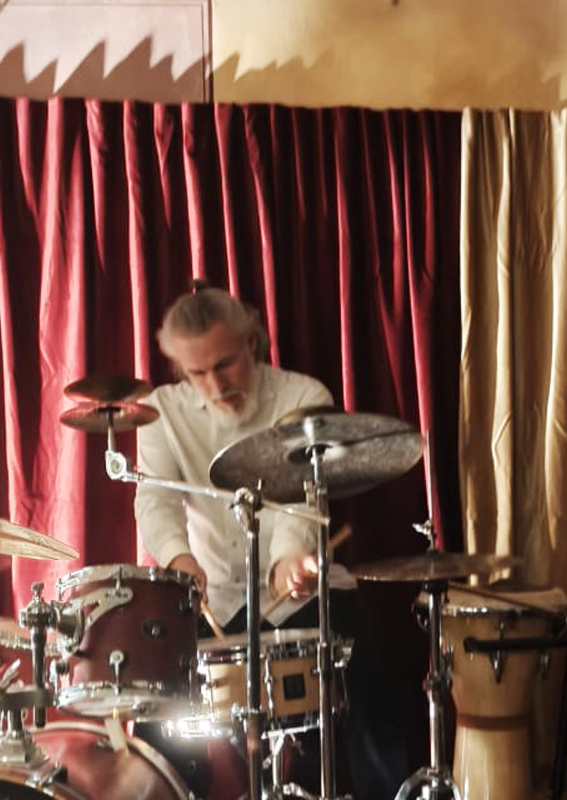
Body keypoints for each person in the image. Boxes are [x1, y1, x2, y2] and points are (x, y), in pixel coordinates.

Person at [134, 286, 408, 799]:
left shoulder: (302, 396)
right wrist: (178, 559)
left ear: (251, 341)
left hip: (298, 592)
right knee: (158, 720)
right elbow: (155, 500)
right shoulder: (159, 412)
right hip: (215, 600)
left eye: (225, 364)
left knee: (370, 705)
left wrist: (287, 559)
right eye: (197, 372)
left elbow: (305, 494)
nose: (215, 385)